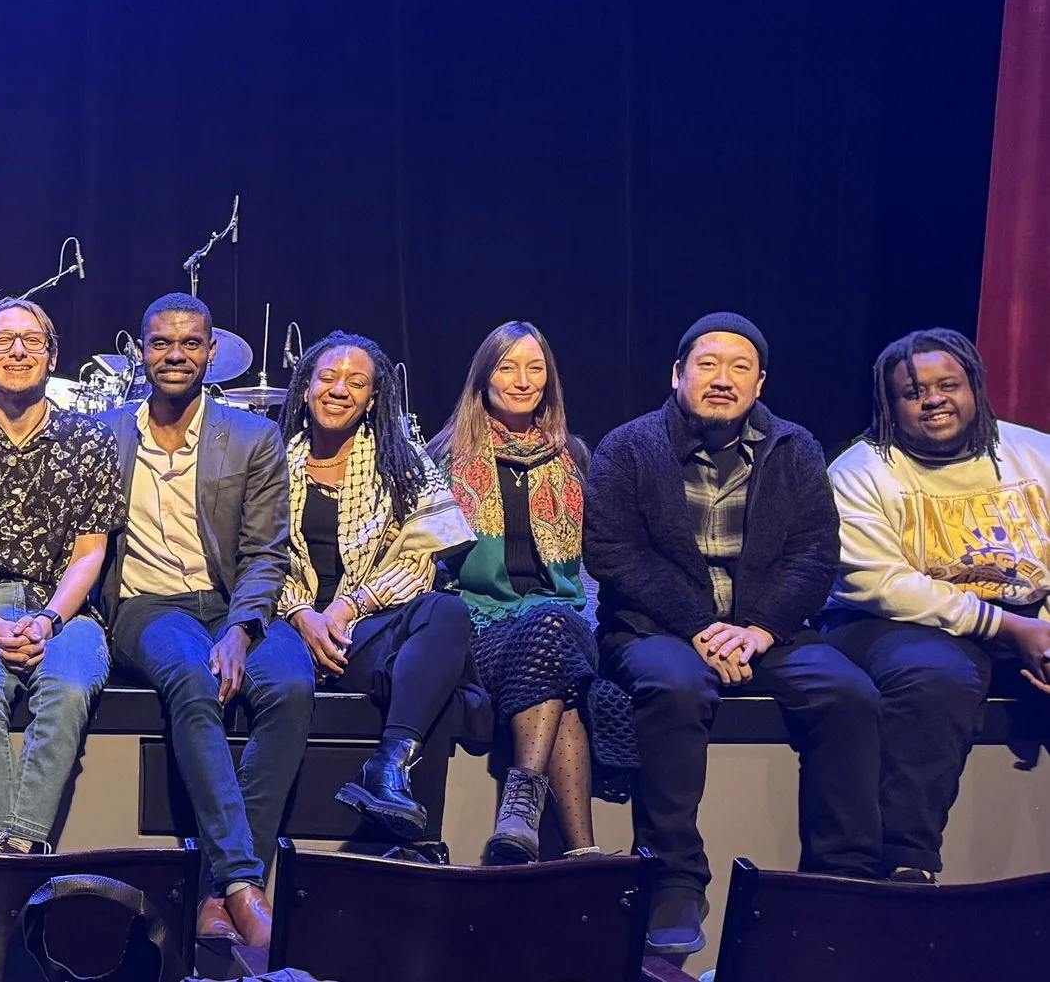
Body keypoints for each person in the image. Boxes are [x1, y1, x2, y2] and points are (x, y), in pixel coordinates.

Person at [587, 312, 881, 956]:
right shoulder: (629, 447)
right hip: (656, 629)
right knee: (673, 686)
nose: (723, 379)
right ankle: (673, 876)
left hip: (765, 630)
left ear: (760, 382)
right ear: (678, 375)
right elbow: (612, 554)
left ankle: (841, 879)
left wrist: (759, 630)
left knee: (849, 694)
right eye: (709, 365)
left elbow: (813, 553)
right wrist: (702, 627)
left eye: (740, 368)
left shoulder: (795, 448)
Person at [95, 294, 292, 947]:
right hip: (147, 605)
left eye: (188, 343)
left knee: (290, 687)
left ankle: (216, 888)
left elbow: (266, 554)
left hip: (230, 603)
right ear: (141, 351)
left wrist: (241, 628)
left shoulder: (254, 436)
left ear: (211, 353)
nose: (174, 354)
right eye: (160, 342)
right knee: (193, 677)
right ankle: (243, 880)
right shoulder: (106, 432)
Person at [820, 328, 1050, 882]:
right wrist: (1008, 627)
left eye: (948, 384)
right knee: (937, 676)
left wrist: (1041, 626)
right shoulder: (859, 471)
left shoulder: (1036, 453)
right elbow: (882, 584)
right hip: (893, 623)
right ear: (891, 405)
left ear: (975, 387)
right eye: (914, 391)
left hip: (1027, 614)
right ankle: (905, 865)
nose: (934, 399)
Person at [247, 332, 474, 854]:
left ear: (373, 399)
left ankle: (388, 766)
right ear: (305, 388)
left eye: (356, 382)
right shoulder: (267, 459)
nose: (339, 390)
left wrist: (347, 609)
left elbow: (420, 562)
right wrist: (305, 615)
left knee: (445, 612)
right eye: (327, 378)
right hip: (283, 630)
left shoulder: (402, 462)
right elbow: (251, 557)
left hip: (360, 629)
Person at [427, 321, 635, 865]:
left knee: (553, 626)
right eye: (507, 366)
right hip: (478, 623)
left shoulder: (575, 459)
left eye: (535, 367)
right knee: (562, 689)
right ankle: (582, 851)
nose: (523, 380)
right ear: (482, 377)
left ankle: (522, 809)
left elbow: (597, 563)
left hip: (563, 620)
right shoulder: (443, 460)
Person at [0, 298, 122, 856]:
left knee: (69, 686)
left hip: (65, 608)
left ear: (52, 356)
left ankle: (10, 855)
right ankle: (14, 857)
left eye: (31, 341)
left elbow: (90, 552)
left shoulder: (90, 440)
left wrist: (49, 619)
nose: (17, 350)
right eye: (2, 341)